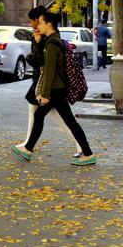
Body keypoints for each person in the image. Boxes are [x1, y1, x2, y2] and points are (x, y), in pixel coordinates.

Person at [13, 10, 96, 166]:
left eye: (41, 23)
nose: (39, 25)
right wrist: (38, 42)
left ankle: (29, 149)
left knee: (58, 119)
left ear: (49, 24)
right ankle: (87, 153)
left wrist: (44, 94)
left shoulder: (52, 44)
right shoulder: (54, 39)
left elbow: (49, 71)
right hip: (59, 88)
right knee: (65, 120)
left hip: (56, 89)